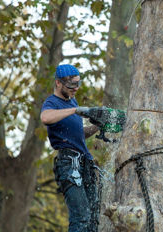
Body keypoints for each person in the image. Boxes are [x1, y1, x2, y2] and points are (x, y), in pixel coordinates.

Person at [40, 64, 100, 232]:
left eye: (78, 83)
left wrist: (97, 126)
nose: (76, 88)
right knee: (81, 216)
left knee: (93, 218)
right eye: (72, 85)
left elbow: (78, 134)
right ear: (58, 83)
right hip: (68, 164)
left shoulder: (73, 101)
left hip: (84, 163)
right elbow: (45, 117)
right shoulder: (52, 102)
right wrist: (74, 110)